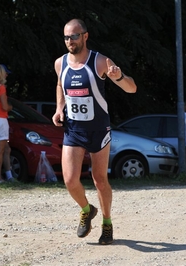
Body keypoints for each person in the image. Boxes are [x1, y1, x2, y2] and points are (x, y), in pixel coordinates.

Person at [52, 19, 137, 245]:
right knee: (70, 180)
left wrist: (117, 76)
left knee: (100, 180)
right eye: (66, 37)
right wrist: (59, 108)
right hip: (73, 130)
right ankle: (87, 209)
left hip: (99, 130)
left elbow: (132, 88)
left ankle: (107, 223)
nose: (70, 41)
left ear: (85, 36)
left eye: (75, 36)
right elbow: (60, 85)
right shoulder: (60, 63)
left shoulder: (100, 61)